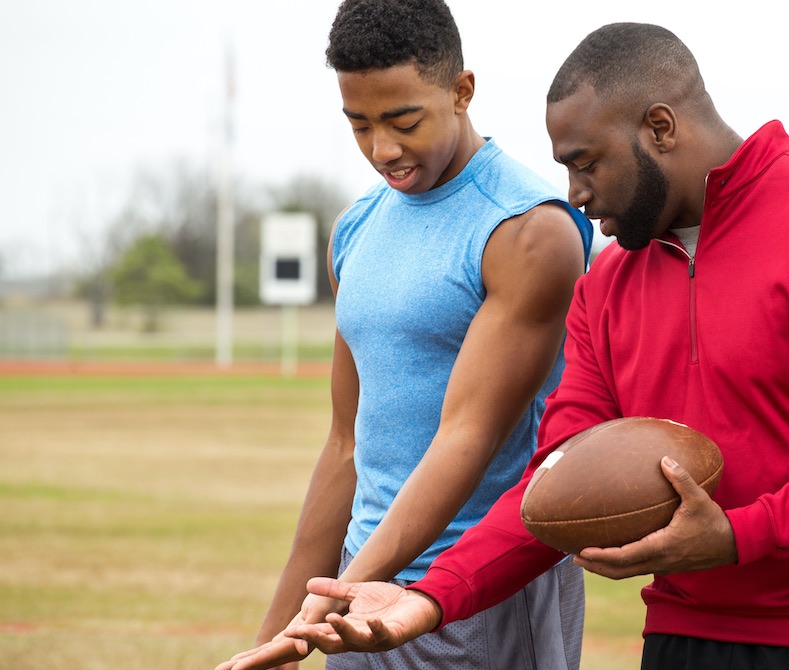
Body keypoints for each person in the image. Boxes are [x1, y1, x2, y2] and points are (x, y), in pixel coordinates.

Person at [287, 22, 789, 670]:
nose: (574, 194)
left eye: (587, 164)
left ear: (660, 127)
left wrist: (742, 535)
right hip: (687, 632)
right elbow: (551, 485)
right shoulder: (607, 283)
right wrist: (435, 596)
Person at [217, 1, 593, 669]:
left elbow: (468, 435)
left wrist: (345, 589)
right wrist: (287, 622)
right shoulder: (355, 229)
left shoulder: (529, 232)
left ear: (462, 89)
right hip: (359, 593)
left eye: (403, 121)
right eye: (359, 125)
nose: (382, 149)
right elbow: (344, 445)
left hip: (478, 595)